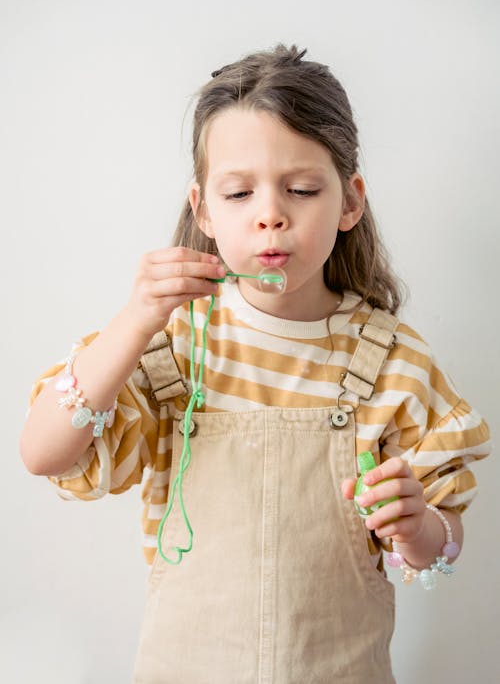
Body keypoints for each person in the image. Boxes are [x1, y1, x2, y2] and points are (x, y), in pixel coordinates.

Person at [20, 43, 491, 683]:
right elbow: (46, 454)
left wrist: (420, 529)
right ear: (203, 210)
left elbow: (445, 538)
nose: (270, 213)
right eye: (239, 193)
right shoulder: (173, 347)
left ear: (349, 202)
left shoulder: (391, 361)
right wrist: (132, 322)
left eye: (300, 188)